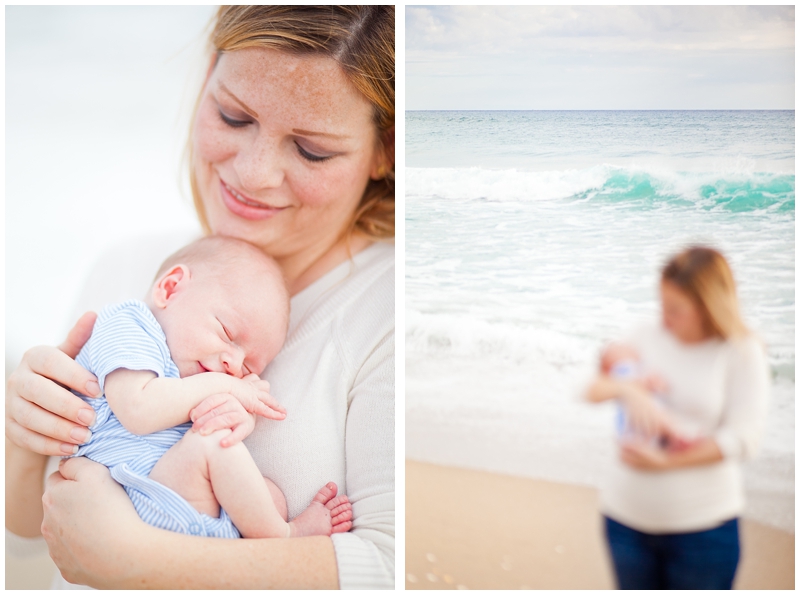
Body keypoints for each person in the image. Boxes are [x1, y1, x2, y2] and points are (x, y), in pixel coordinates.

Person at [6, 5, 395, 589]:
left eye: (311, 150)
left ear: (384, 152)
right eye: (234, 116)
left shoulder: (388, 307)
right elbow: (31, 532)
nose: (255, 173)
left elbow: (392, 570)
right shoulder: (126, 267)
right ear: (208, 75)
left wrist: (141, 562)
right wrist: (24, 440)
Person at [71, 235, 353, 540]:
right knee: (213, 445)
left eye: (248, 367)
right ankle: (285, 536)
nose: (234, 364)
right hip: (131, 495)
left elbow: (208, 416)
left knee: (270, 495)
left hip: (173, 497)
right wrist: (227, 387)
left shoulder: (191, 377)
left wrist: (238, 416)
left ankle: (267, 529)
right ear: (171, 288)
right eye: (227, 333)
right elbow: (138, 410)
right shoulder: (129, 324)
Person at [586, 246, 770, 590]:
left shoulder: (741, 350)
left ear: (708, 307)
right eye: (662, 304)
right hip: (625, 521)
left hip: (703, 530)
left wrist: (665, 463)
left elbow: (745, 439)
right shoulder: (646, 333)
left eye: (675, 309)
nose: (664, 317)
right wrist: (630, 390)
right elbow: (592, 390)